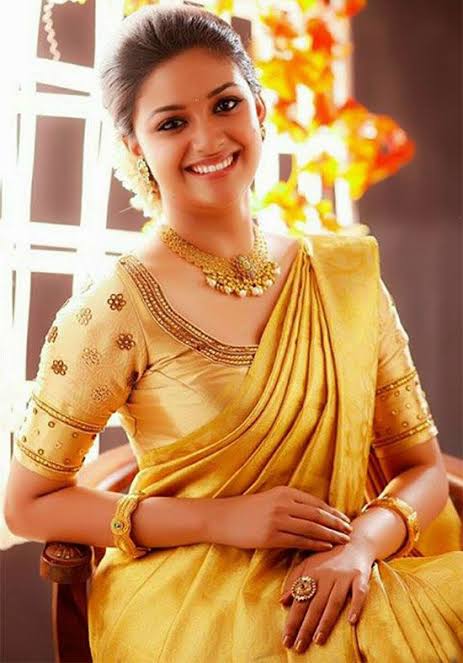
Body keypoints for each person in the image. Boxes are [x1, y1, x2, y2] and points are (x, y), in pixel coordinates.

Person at [5, 5, 462, 661]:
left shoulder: (342, 275)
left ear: (259, 111)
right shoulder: (114, 308)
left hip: (353, 567)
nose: (209, 138)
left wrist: (360, 545)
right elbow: (28, 504)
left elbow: (420, 467)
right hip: (194, 594)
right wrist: (219, 518)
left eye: (225, 105)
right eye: (171, 123)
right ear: (135, 148)